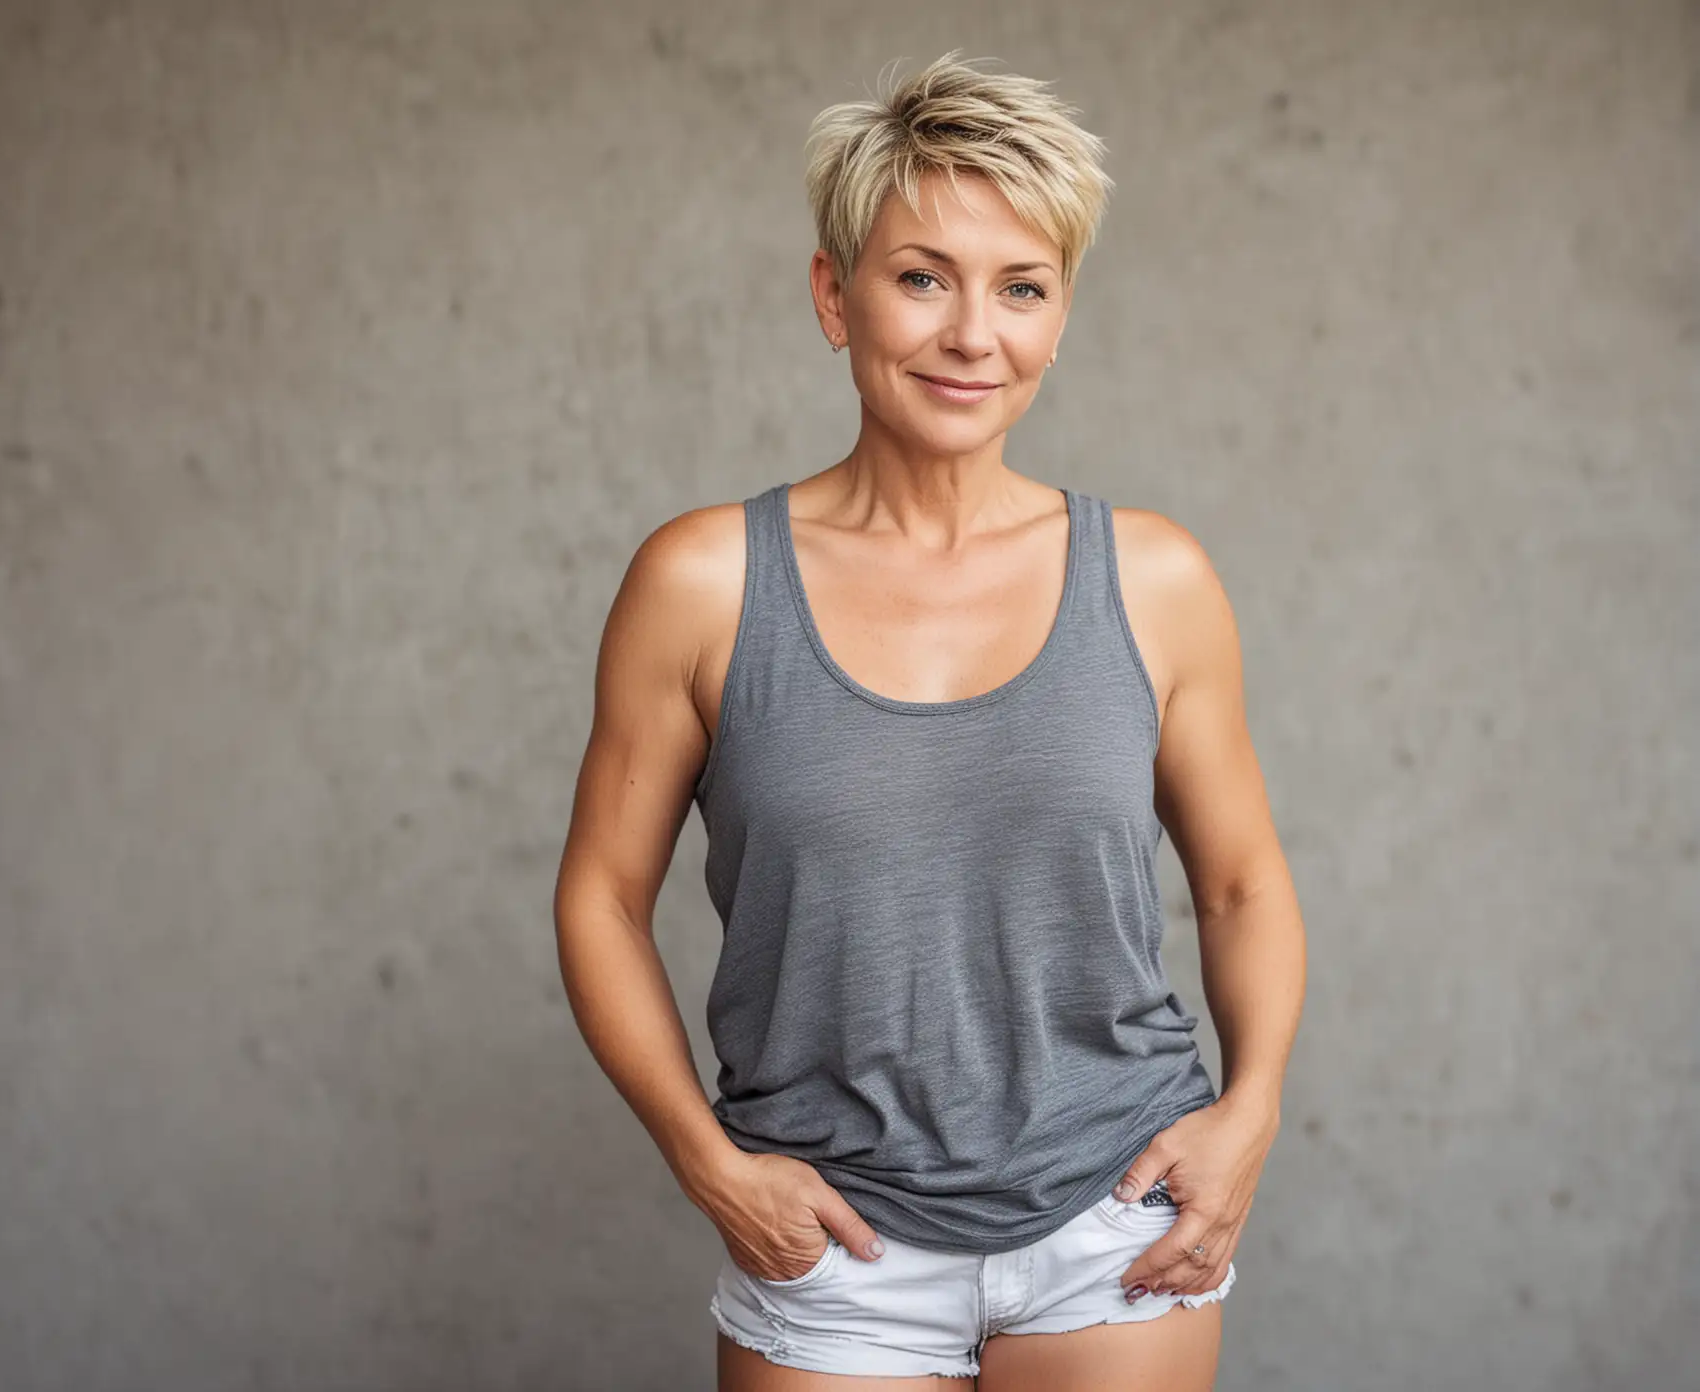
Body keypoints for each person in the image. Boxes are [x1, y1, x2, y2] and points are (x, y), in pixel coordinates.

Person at [555, 50, 1306, 1390]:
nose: (975, 335)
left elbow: (1244, 885)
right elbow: (602, 900)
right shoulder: (703, 584)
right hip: (832, 1243)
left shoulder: (1155, 578)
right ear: (833, 297)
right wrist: (708, 1165)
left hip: (1111, 1224)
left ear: (1061, 317)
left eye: (1023, 287)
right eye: (923, 278)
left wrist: (1248, 1116)